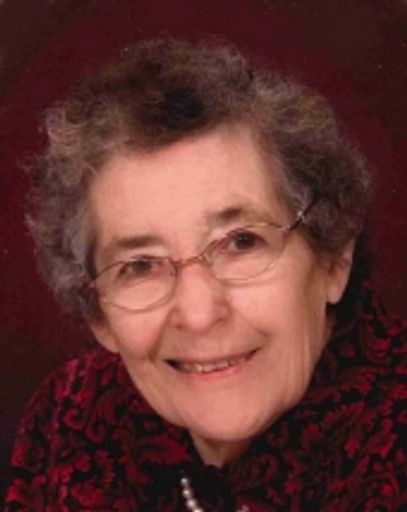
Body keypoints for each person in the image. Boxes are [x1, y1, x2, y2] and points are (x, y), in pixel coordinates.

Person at [5, 38, 406, 511]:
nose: (198, 315)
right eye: (140, 266)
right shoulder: (70, 420)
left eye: (241, 242)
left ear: (332, 259)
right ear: (99, 316)